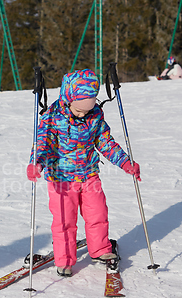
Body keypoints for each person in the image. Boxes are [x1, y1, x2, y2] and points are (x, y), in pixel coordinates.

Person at [26, 69, 141, 277]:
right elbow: (42, 144)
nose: (83, 114)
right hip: (61, 179)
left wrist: (125, 162)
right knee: (64, 221)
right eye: (79, 110)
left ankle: (100, 250)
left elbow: (105, 142)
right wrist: (36, 163)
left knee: (97, 213)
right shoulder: (52, 117)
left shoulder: (95, 115)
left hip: (89, 175)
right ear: (67, 99)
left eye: (87, 110)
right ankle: (64, 260)